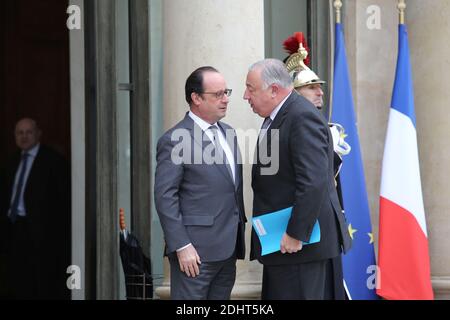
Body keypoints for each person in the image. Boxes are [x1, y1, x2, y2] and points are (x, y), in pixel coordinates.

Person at [244, 59, 352, 300]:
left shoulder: (301, 116)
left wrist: (296, 233)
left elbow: (313, 182)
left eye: (250, 89)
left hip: (300, 246)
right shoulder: (280, 114)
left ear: (273, 90)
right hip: (282, 245)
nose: (245, 96)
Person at [154, 66, 246, 300]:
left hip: (228, 250)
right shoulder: (175, 139)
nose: (225, 99)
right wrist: (181, 246)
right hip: (194, 254)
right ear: (196, 98)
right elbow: (165, 196)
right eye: (218, 94)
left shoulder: (229, 133)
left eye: (227, 92)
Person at [283, 33, 351, 299]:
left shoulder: (319, 125)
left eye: (319, 85)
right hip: (306, 233)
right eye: (311, 87)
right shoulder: (298, 123)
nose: (320, 91)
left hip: (325, 228)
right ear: (294, 93)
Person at [0, 118, 70, 299]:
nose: (24, 137)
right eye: (19, 133)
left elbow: (63, 200)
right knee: (17, 279)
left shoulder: (53, 160)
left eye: (28, 132)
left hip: (42, 232)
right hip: (15, 228)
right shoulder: (11, 160)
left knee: (41, 281)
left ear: (38, 134)